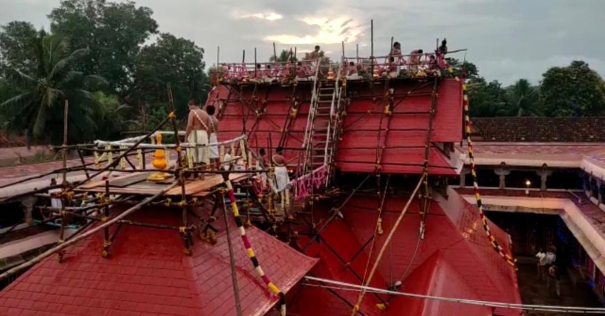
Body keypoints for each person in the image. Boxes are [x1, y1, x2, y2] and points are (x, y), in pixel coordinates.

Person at [185, 98, 210, 168]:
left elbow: (189, 126)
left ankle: (193, 174)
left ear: (192, 105)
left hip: (195, 134)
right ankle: (202, 175)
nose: (189, 108)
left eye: (189, 106)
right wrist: (208, 137)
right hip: (204, 134)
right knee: (203, 154)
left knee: (193, 154)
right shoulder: (205, 113)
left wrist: (186, 137)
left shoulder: (192, 113)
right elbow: (209, 127)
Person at [206, 105, 219, 170]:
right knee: (215, 151)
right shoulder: (216, 119)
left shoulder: (208, 118)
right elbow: (217, 130)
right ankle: (219, 166)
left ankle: (213, 168)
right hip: (215, 135)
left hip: (210, 135)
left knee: (211, 153)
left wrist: (207, 138)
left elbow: (209, 128)